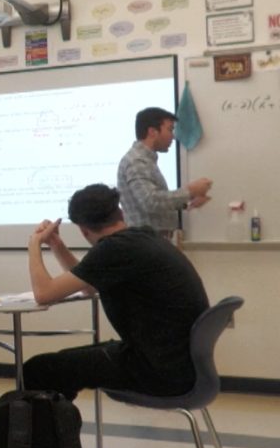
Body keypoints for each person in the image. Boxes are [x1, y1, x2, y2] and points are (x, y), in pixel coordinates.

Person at [23, 183, 209, 400]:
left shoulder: (114, 249)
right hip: (177, 364)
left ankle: (48, 422)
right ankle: (58, 420)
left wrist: (34, 244)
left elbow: (43, 294)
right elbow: (89, 286)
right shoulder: (143, 237)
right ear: (120, 212)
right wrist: (56, 245)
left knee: (37, 370)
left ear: (83, 230)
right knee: (60, 364)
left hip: (158, 371)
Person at [117, 106, 212, 236]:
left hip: (152, 240)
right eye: (170, 129)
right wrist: (190, 191)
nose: (173, 136)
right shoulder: (137, 161)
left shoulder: (145, 160)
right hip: (146, 241)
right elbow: (150, 202)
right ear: (152, 132)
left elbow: (151, 204)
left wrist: (188, 201)